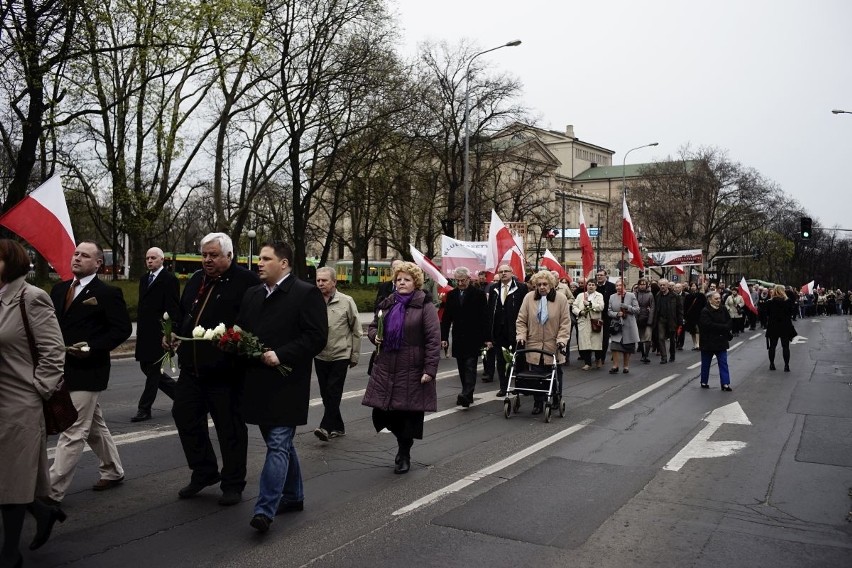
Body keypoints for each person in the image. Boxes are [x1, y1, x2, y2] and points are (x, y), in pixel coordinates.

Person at [235, 242, 328, 533]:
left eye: (266, 259)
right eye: (259, 258)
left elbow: (316, 337)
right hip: (258, 382)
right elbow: (241, 329)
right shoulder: (252, 294)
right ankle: (294, 495)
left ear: (284, 264)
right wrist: (230, 340)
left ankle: (265, 509)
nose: (258, 263)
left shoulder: (305, 293)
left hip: (287, 383)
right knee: (281, 444)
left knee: (277, 444)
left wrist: (282, 354)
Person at [169, 232, 260, 506]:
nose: (207, 260)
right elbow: (186, 314)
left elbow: (254, 325)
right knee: (184, 415)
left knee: (229, 428)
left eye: (214, 255)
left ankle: (233, 483)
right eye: (204, 255)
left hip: (225, 372)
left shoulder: (247, 283)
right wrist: (174, 334)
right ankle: (204, 471)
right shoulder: (197, 279)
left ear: (229, 256)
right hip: (192, 368)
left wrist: (236, 343)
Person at [47, 241, 132, 504]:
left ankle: (49, 493)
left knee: (73, 431)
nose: (77, 258)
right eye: (75, 254)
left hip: (89, 371)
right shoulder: (60, 289)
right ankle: (113, 469)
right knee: (94, 426)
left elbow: (122, 329)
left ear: (98, 263)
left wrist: (93, 348)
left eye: (85, 256)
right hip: (60, 368)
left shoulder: (107, 293)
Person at [0, 240, 67, 565]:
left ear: (9, 263)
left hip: (19, 406)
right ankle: (43, 513)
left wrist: (37, 391)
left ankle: (10, 554)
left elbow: (54, 353)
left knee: (11, 479)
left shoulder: (31, 298)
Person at [364, 262, 440, 475]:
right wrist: (374, 336)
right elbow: (372, 327)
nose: (401, 283)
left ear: (415, 282)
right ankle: (401, 442)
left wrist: (430, 369)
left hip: (412, 368)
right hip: (386, 366)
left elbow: (433, 340)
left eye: (406, 280)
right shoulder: (387, 303)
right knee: (383, 413)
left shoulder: (425, 306)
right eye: (398, 280)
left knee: (407, 416)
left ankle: (404, 453)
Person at [131, 247, 180, 422]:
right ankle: (181, 396)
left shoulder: (169, 280)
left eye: (153, 258)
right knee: (146, 367)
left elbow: (173, 307)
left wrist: (170, 331)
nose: (149, 261)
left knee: (153, 371)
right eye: (147, 258)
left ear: (161, 260)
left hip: (160, 333)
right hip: (145, 332)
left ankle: (144, 409)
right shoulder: (145, 279)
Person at [313, 267, 361, 441]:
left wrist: (354, 355)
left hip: (341, 354)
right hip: (320, 355)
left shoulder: (346, 301)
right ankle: (338, 426)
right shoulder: (312, 301)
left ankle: (325, 427)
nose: (320, 284)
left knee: (333, 391)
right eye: (318, 280)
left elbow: (357, 330)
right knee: (326, 393)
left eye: (324, 280)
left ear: (334, 282)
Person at [515, 271, 571, 414]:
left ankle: (556, 398)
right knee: (536, 375)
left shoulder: (561, 299)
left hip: (554, 344)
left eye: (545, 284)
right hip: (534, 343)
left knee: (555, 373)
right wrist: (521, 335)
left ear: (551, 284)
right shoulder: (529, 298)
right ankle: (538, 402)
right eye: (538, 284)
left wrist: (562, 340)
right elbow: (521, 320)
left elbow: (565, 323)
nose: (542, 287)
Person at [441, 267, 488, 408]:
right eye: (457, 280)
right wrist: (444, 337)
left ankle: (466, 394)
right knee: (462, 367)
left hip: (474, 336)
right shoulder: (452, 295)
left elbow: (484, 317)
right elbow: (446, 318)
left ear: (469, 279)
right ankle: (467, 393)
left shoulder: (478, 294)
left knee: (470, 366)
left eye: (463, 280)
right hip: (458, 336)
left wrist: (487, 338)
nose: (460, 283)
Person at [485, 265, 528, 396]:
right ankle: (503, 387)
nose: (503, 274)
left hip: (515, 330)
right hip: (499, 331)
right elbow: (490, 310)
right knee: (501, 360)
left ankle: (520, 386)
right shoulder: (494, 288)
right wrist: (489, 334)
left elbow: (525, 308)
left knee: (519, 359)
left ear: (512, 272)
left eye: (506, 271)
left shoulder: (521, 287)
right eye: (501, 272)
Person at [699, 290, 733, 391]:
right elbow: (708, 325)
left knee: (723, 363)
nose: (719, 300)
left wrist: (728, 327)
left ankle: (725, 383)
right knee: (706, 363)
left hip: (721, 341)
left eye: (719, 298)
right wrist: (724, 327)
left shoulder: (723, 308)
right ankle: (704, 382)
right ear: (710, 299)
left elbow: (729, 320)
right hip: (708, 342)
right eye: (716, 299)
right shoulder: (705, 311)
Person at [607, 279, 640, 374]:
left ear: (624, 286)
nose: (618, 287)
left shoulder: (631, 295)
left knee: (627, 346)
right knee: (614, 346)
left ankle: (626, 366)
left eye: (620, 285)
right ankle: (615, 366)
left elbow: (637, 310)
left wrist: (627, 307)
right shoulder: (612, 297)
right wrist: (617, 314)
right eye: (616, 286)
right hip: (617, 325)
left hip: (628, 324)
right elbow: (609, 311)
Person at [572, 279, 605, 371]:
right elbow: (574, 307)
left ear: (595, 286)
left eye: (593, 285)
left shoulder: (599, 295)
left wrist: (590, 304)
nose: (591, 286)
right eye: (589, 284)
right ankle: (587, 363)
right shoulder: (580, 295)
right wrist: (580, 312)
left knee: (596, 343)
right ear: (586, 286)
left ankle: (598, 359)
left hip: (595, 321)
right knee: (585, 343)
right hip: (584, 321)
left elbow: (601, 307)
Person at [765, 284, 797, 372]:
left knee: (772, 346)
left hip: (773, 325)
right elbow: (791, 312)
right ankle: (786, 366)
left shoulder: (769, 302)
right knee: (785, 346)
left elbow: (767, 314)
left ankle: (772, 364)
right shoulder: (788, 302)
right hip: (785, 325)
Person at [654, 279, 682, 364]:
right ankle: (664, 357)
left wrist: (680, 322)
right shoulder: (658, 295)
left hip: (672, 320)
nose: (662, 287)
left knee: (672, 339)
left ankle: (672, 354)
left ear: (667, 286)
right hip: (661, 319)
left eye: (664, 285)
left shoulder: (675, 296)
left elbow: (679, 310)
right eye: (661, 285)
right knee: (661, 338)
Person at [594, 270, 617, 368]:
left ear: (605, 276)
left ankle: (602, 358)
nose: (599, 277)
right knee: (595, 337)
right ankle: (596, 357)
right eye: (598, 275)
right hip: (595, 315)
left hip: (607, 315)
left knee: (604, 337)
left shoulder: (611, 286)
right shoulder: (593, 285)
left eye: (601, 275)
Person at [635, 278, 655, 363]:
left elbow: (653, 307)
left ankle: (646, 355)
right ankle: (642, 354)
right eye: (641, 284)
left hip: (647, 318)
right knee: (640, 338)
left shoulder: (650, 294)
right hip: (638, 318)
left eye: (644, 284)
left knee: (647, 337)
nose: (642, 286)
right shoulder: (635, 294)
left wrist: (650, 320)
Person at [683, 282, 706, 351]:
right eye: (692, 286)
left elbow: (704, 305)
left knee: (697, 330)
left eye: (694, 286)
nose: (693, 287)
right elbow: (685, 306)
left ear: (696, 287)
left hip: (699, 315)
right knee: (692, 331)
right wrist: (685, 315)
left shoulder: (701, 295)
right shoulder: (688, 296)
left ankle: (698, 344)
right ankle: (694, 344)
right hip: (690, 316)